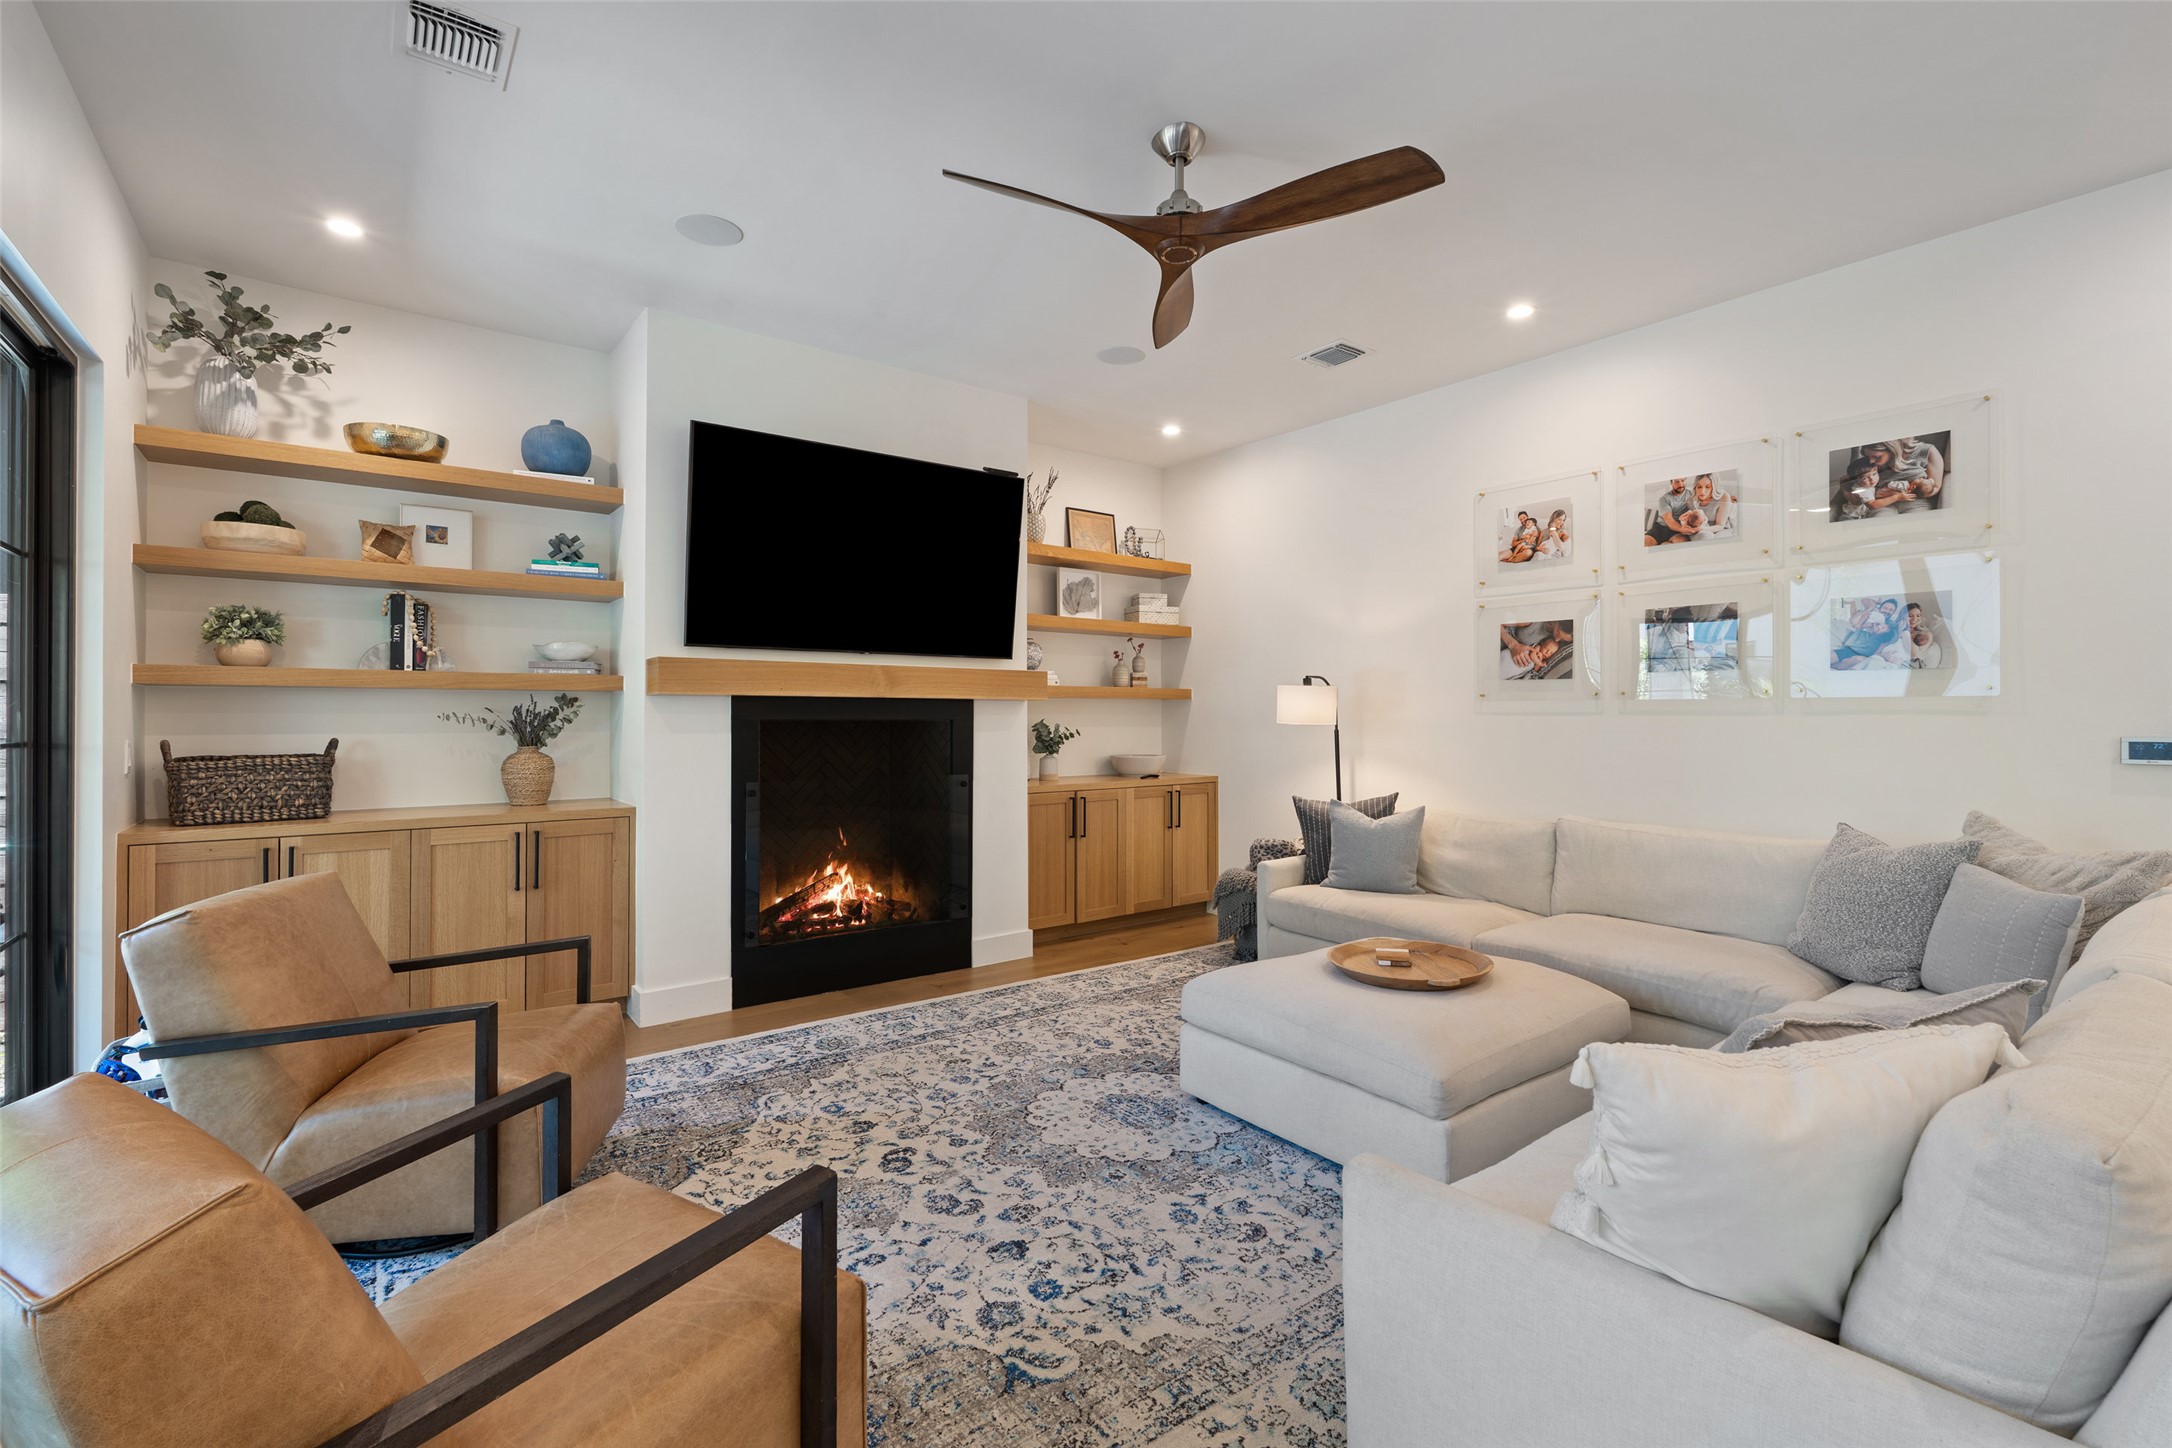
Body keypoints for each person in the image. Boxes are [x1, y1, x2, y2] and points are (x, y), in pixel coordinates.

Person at [1832, 597, 1902, 668]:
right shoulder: (1872, 615)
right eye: (1885, 608)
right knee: (1826, 660)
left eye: (1891, 610)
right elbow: (1863, 601)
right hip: (1849, 650)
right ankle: (1837, 666)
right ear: (1880, 608)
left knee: (1856, 660)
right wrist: (1874, 604)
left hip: (1864, 656)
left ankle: (1838, 666)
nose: (1887, 611)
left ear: (1894, 612)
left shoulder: (1891, 626)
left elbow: (1891, 640)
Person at [1884, 436, 1946, 513]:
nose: (1871, 460)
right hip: (1883, 501)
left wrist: (1912, 493)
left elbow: (1935, 486)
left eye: (1877, 457)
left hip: (1915, 502)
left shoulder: (1927, 451)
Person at [1501, 619, 1573, 680]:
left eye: (1562, 639)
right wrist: (1513, 645)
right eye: (1557, 633)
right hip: (1503, 639)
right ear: (1558, 622)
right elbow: (1496, 622)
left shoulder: (1555, 643)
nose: (1557, 639)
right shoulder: (1534, 622)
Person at [1644, 478, 1700, 546]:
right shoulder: (1664, 499)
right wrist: (1682, 529)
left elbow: (1697, 511)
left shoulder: (1691, 494)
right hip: (1660, 527)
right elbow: (1669, 520)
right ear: (1671, 483)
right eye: (1677, 482)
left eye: (1683, 481)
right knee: (1645, 543)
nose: (1681, 484)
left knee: (1682, 544)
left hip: (1676, 531)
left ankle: (1665, 544)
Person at [1690, 473, 1734, 539]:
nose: (1702, 491)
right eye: (1699, 487)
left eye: (1708, 487)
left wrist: (1701, 529)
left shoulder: (1724, 497)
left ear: (1714, 487)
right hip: (1700, 531)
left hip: (1721, 530)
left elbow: (1720, 525)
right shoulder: (1691, 500)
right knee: (1703, 537)